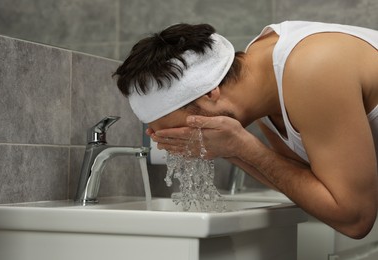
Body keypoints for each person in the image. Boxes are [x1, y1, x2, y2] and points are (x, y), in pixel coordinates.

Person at [113, 21, 378, 239]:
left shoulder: (310, 68)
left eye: (179, 129)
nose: (176, 143)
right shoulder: (260, 84)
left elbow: (355, 218)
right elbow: (310, 184)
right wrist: (232, 149)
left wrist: (244, 148)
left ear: (210, 93)